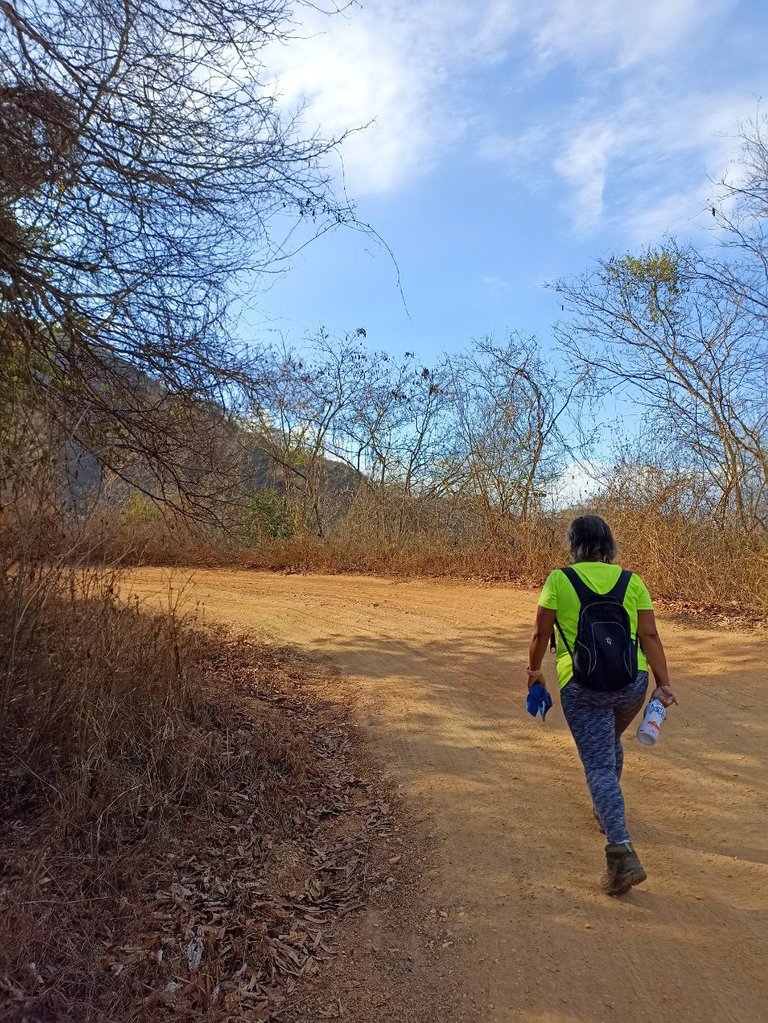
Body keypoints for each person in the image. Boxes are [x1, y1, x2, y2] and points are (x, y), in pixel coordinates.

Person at [527, 514, 678, 896]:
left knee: (597, 763)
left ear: (574, 544)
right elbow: (650, 635)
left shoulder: (559, 580)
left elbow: (540, 633)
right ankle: (604, 809)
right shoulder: (633, 581)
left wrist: (534, 673)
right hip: (632, 684)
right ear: (609, 545)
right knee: (608, 745)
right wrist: (663, 686)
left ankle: (621, 854)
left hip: (582, 686)